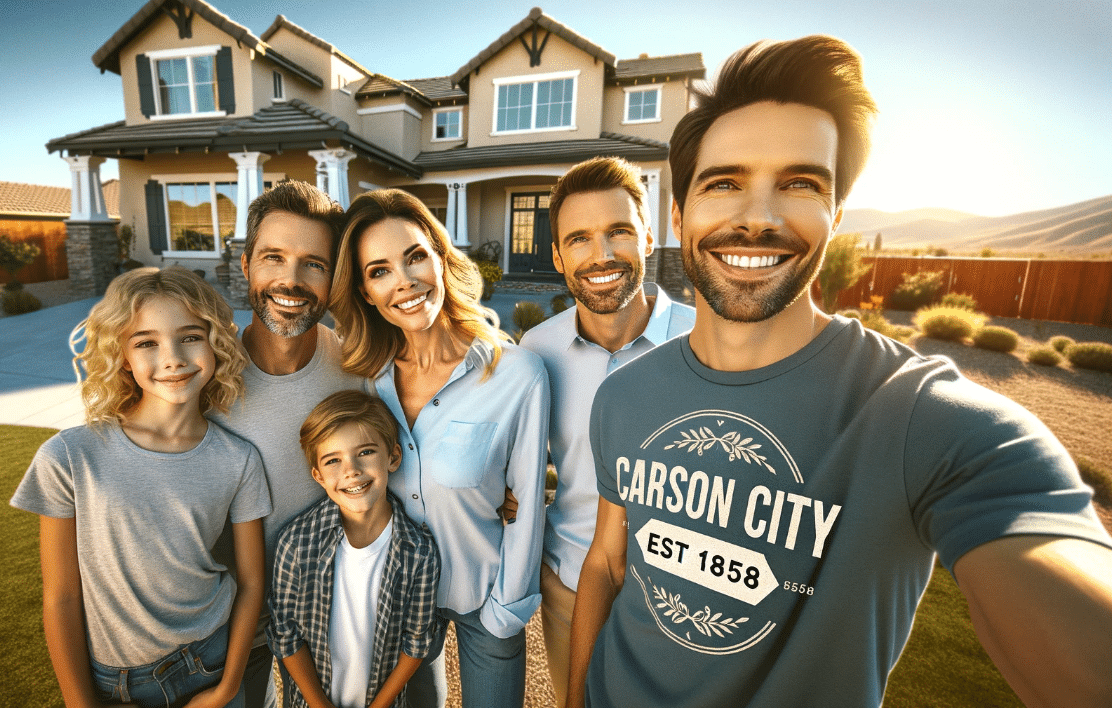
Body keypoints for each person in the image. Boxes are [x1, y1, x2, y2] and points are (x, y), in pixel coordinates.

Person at [567, 35, 1112, 708]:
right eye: (724, 182)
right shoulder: (623, 395)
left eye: (799, 183)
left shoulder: (925, 418)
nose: (757, 217)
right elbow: (609, 562)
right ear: (678, 215)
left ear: (835, 215)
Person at [11, 266, 270, 708]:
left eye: (190, 336)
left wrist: (226, 688)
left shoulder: (239, 459)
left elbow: (251, 582)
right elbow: (61, 597)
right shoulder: (69, 457)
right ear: (123, 356)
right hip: (117, 683)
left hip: (212, 660)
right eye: (146, 342)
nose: (172, 358)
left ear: (216, 343)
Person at [329, 189, 550, 708]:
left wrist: (506, 609)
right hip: (399, 601)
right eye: (379, 271)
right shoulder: (366, 382)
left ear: (440, 260)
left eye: (415, 257)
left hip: (484, 601)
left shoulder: (516, 374)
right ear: (364, 292)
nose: (404, 282)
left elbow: (527, 501)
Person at [518, 156, 696, 707]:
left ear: (648, 237)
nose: (600, 255)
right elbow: (513, 466)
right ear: (557, 255)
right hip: (571, 584)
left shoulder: (710, 340)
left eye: (618, 231)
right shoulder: (536, 352)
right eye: (579, 239)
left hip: (687, 599)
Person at [207, 180, 366, 708]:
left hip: (327, 613)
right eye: (274, 257)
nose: (291, 280)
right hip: (229, 622)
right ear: (248, 263)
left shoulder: (357, 369)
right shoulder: (200, 373)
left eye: (313, 264)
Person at [267, 390, 442, 708]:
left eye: (365, 452)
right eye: (333, 460)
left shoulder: (419, 553)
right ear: (318, 476)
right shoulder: (295, 544)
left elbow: (416, 642)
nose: (351, 470)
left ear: (393, 457)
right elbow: (285, 635)